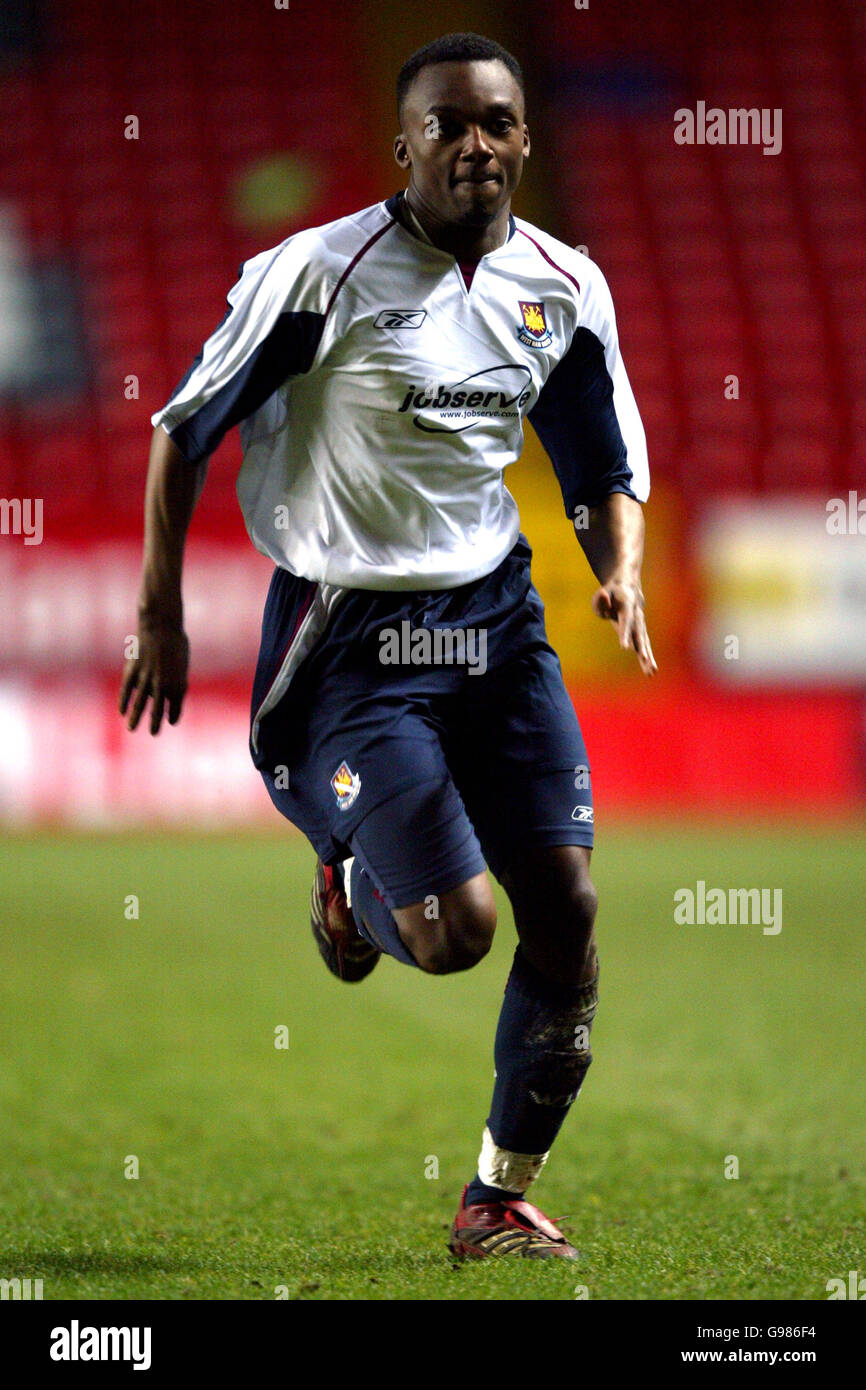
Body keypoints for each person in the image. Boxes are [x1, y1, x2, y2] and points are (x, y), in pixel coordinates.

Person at [120, 31, 656, 1260]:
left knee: (566, 902)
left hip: (497, 618)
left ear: (524, 138)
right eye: (449, 124)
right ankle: (349, 880)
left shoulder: (561, 282)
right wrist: (160, 610)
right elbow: (182, 430)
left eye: (498, 122)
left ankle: (495, 1197)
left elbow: (594, 443)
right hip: (351, 631)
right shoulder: (318, 273)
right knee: (453, 934)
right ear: (402, 142)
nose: (475, 144)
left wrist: (615, 564)